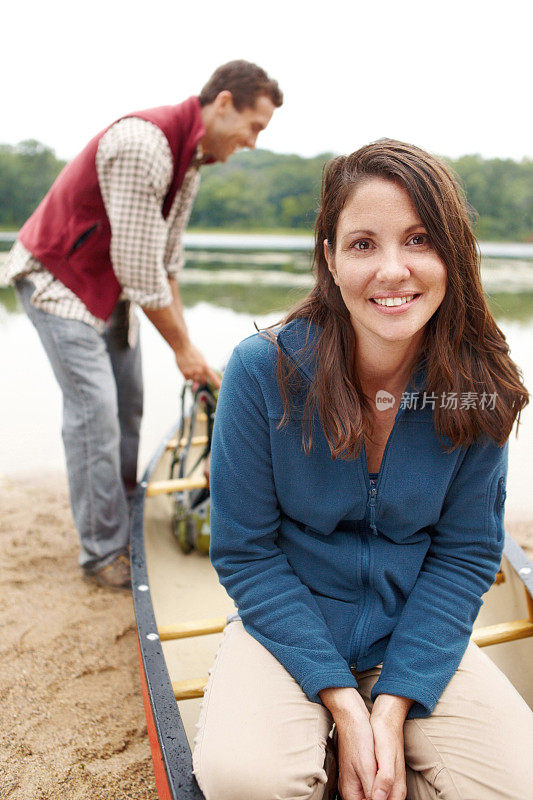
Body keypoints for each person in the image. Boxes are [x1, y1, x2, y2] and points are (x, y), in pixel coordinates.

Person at [192, 140, 533, 800]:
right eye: (362, 244)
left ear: (451, 255)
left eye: (418, 239)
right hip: (286, 626)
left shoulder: (474, 386)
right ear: (329, 258)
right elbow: (245, 551)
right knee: (243, 780)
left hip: (414, 627)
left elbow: (464, 555)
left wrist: (392, 703)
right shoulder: (262, 372)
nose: (392, 270)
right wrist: (343, 704)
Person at [2, 60, 282, 589]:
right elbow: (137, 265)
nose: (252, 142)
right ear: (223, 104)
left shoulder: (192, 160)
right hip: (57, 281)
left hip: (110, 291)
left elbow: (165, 263)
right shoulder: (144, 144)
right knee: (95, 414)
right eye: (254, 126)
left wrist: (189, 348)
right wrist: (181, 349)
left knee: (128, 403)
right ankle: (102, 555)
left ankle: (123, 519)